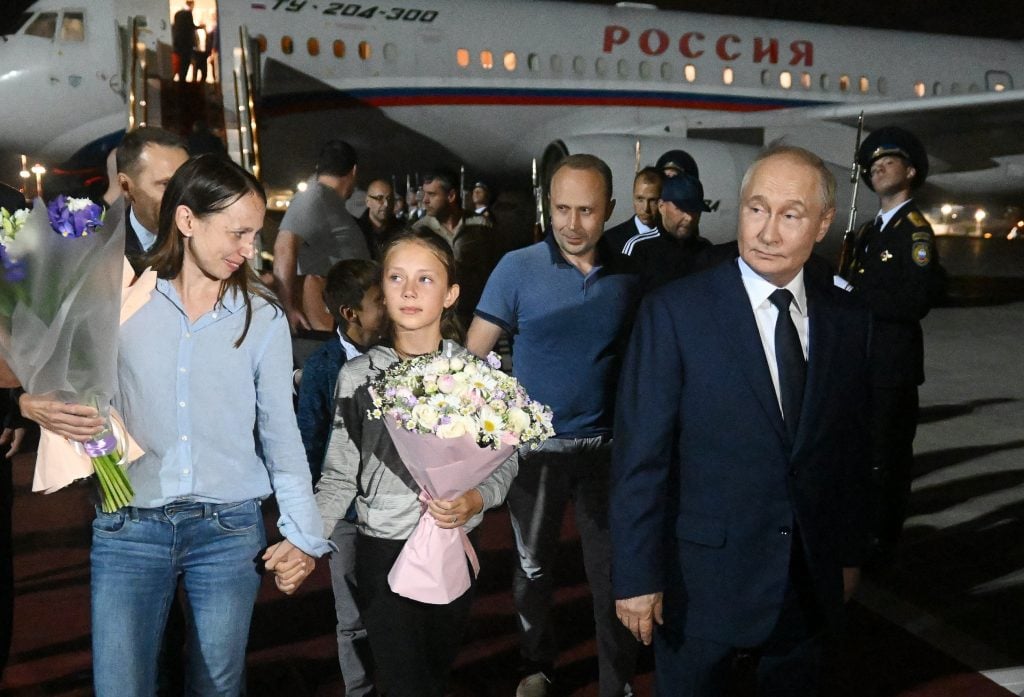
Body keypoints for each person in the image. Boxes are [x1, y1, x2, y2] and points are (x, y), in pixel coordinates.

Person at [19, 154, 333, 696]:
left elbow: (282, 436)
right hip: (128, 526)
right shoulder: (118, 300)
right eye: (236, 232)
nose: (247, 248)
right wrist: (30, 402)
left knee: (216, 688)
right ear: (187, 222)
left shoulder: (263, 318)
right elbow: (68, 384)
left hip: (229, 531)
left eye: (256, 233)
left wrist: (304, 536)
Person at [611, 145, 873, 697]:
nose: (768, 231)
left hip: (805, 581)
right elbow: (641, 456)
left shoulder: (848, 317)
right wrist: (637, 576)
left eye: (790, 214)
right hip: (699, 585)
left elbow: (847, 451)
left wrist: (846, 554)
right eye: (757, 209)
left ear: (824, 223)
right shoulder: (677, 311)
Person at [315, 228, 518, 697]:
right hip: (383, 548)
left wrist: (476, 498)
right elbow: (340, 475)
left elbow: (505, 459)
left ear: (450, 294)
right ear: (381, 292)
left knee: (434, 674)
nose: (409, 291)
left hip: (453, 543)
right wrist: (306, 540)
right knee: (405, 683)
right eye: (396, 278)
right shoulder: (357, 375)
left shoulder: (474, 375)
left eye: (425, 279)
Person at [466, 154, 641, 697]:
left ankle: (618, 682)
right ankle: (538, 664)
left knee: (610, 575)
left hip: (608, 452)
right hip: (535, 452)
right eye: (561, 208)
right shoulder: (516, 268)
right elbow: (472, 357)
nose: (571, 223)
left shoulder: (634, 275)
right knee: (534, 569)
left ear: (609, 209)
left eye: (586, 210)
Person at [839, 126, 939, 565]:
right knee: (863, 454)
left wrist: (853, 293)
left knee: (887, 457)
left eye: (889, 160)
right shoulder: (868, 232)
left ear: (911, 170)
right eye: (872, 163)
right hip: (864, 362)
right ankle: (863, 526)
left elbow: (915, 300)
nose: (877, 166)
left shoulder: (913, 231)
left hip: (891, 366)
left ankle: (883, 539)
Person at [297, 258, 383, 697]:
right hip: (348, 516)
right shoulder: (322, 368)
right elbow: (310, 443)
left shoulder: (401, 355)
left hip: (397, 512)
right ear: (351, 313)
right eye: (379, 299)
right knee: (351, 618)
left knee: (398, 610)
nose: (391, 304)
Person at [274, 140, 370, 333]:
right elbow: (284, 246)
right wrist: (287, 307)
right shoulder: (313, 197)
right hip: (328, 320)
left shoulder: (327, 200)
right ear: (353, 171)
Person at [413, 169, 494, 328]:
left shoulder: (481, 226)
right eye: (425, 194)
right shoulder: (420, 231)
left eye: (432, 195)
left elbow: (492, 267)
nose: (425, 201)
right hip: (439, 320)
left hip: (476, 315)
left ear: (451, 196)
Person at [116, 127, 190, 273]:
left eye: (187, 182)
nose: (183, 194)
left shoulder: (212, 242)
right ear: (125, 187)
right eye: (166, 184)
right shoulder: (104, 255)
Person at [629, 172, 713, 290]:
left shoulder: (705, 249)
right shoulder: (639, 247)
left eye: (695, 210)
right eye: (681, 209)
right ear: (661, 207)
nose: (689, 218)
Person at [602, 167, 662, 255]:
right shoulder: (609, 240)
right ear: (633, 197)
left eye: (653, 200)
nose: (646, 208)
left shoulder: (674, 237)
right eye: (640, 199)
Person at [356, 179, 402, 260]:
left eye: (389, 198)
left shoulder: (402, 231)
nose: (386, 204)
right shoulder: (356, 231)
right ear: (367, 201)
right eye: (379, 198)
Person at [172, 0, 199, 83]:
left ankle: (179, 82)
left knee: (179, 66)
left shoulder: (177, 14)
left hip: (177, 46)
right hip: (186, 46)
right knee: (185, 65)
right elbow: (191, 27)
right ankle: (182, 82)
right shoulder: (188, 14)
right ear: (192, 5)